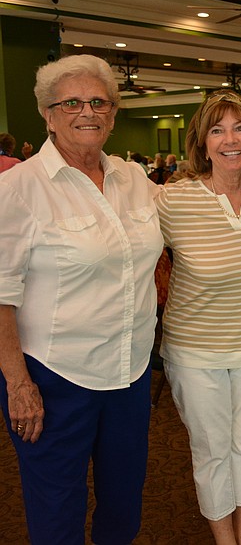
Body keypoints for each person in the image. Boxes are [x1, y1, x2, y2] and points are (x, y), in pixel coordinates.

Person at [0, 54, 163, 544]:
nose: (87, 111)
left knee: (124, 500)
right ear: (48, 114)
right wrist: (17, 383)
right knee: (56, 508)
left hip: (130, 372)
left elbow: (197, 216)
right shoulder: (18, 189)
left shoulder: (135, 180)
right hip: (54, 377)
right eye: (71, 102)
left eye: (98, 102)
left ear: (113, 114)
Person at [155, 89, 241, 545]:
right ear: (202, 143)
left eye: (240, 127)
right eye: (217, 130)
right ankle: (224, 540)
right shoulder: (175, 201)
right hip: (196, 353)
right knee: (212, 451)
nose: (230, 139)